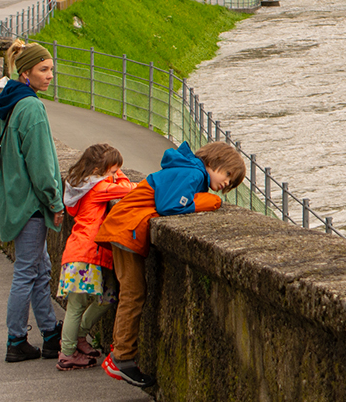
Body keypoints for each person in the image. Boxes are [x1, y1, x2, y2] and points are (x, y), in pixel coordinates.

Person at [97, 140, 245, 388]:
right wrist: (208, 202)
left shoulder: (187, 169)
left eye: (231, 183)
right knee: (133, 294)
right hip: (126, 229)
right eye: (228, 175)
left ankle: (120, 352)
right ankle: (122, 358)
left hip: (124, 226)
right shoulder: (193, 173)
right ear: (214, 161)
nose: (227, 184)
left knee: (131, 292)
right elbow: (170, 206)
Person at [0, 40, 65, 363]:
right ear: (26, 73)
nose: (50, 75)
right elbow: (41, 164)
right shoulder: (32, 108)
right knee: (27, 271)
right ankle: (16, 339)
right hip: (30, 204)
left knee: (40, 268)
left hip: (13, 198)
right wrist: (55, 202)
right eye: (43, 69)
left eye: (51, 69)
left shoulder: (9, 102)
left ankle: (49, 334)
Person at [55, 143, 132, 370]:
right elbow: (129, 189)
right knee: (76, 304)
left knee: (108, 297)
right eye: (112, 171)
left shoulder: (83, 186)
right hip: (85, 252)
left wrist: (113, 172)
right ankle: (67, 352)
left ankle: (79, 336)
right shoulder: (98, 188)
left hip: (89, 252)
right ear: (99, 170)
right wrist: (120, 175)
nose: (114, 175)